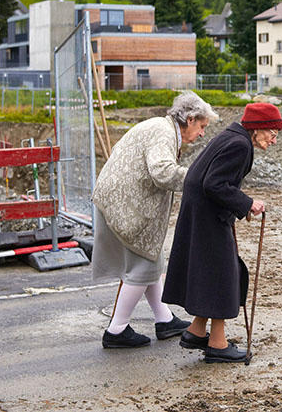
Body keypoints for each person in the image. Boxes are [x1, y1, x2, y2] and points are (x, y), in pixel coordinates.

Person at [92, 90, 219, 348]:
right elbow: (162, 171)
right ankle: (116, 330)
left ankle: (164, 319)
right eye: (202, 126)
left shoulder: (162, 127)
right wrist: (197, 181)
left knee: (152, 260)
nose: (203, 133)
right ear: (190, 119)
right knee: (142, 268)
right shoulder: (163, 132)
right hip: (127, 205)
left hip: (121, 201)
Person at [162, 102, 280, 363]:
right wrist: (247, 203)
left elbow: (211, 180)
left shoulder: (232, 136)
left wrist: (240, 204)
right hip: (208, 216)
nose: (274, 140)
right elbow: (214, 183)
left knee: (214, 272)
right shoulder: (240, 145)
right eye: (272, 133)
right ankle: (217, 344)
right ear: (258, 128)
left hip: (201, 213)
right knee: (224, 275)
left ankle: (195, 330)